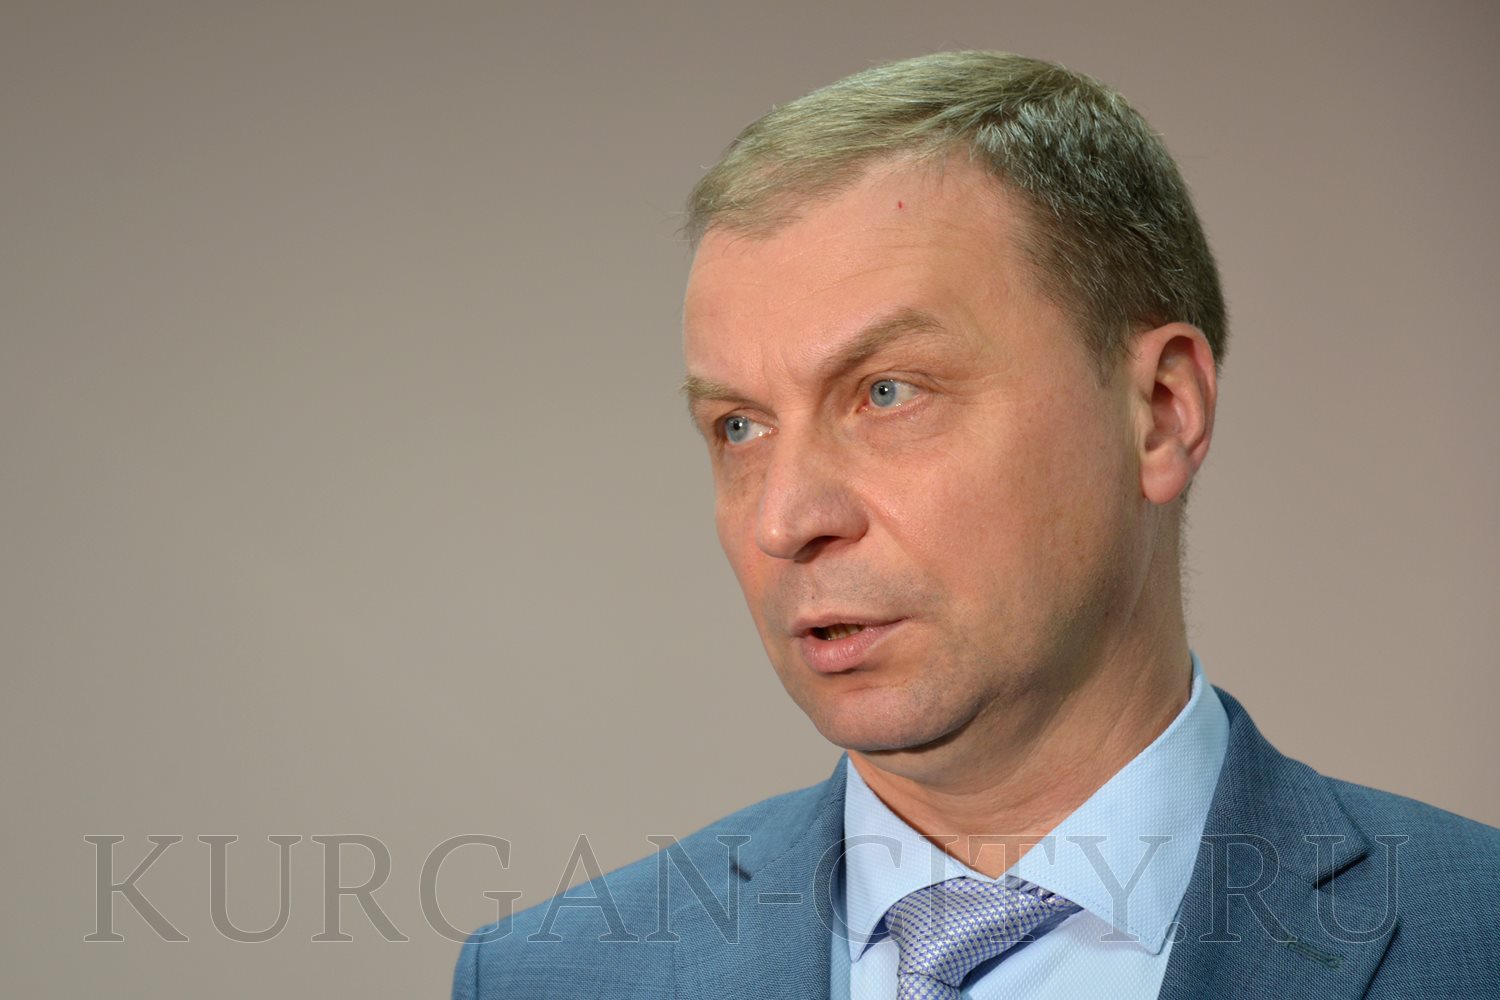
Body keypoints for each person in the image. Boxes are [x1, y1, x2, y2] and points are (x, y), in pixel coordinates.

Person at [453, 51, 1499, 999]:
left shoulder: (1475, 941)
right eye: (739, 425)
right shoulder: (551, 977)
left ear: (1160, 413)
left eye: (888, 392)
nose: (786, 518)